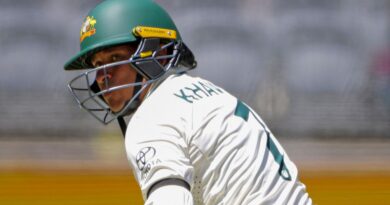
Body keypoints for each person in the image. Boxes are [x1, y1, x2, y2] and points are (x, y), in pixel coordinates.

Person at [64, 0, 312, 204]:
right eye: (97, 65)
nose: (102, 77)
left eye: (115, 58)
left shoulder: (150, 118)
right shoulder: (203, 90)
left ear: (157, 54)